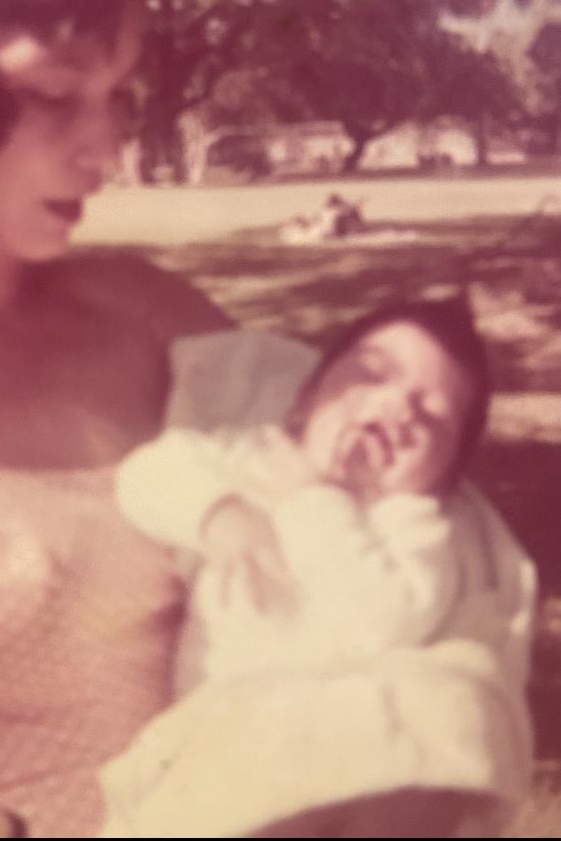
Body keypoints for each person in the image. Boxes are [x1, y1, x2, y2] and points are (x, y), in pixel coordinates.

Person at [0, 0, 535, 838]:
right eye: (55, 96)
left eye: (119, 95)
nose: (107, 147)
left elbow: (400, 551)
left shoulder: (158, 317)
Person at [98, 299, 534, 836]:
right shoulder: (250, 453)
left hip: (340, 756)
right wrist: (218, 514)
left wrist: (315, 501)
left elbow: (388, 619)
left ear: (445, 478)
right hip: (223, 731)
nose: (397, 409)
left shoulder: (412, 522)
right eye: (373, 374)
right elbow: (146, 472)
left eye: (430, 415)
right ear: (308, 394)